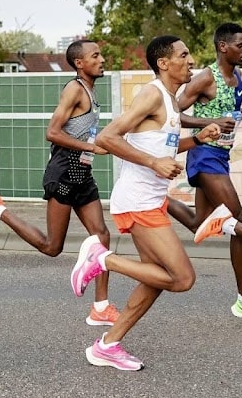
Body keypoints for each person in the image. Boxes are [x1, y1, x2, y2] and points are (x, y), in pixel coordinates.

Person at [69, 35, 223, 371]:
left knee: (156, 279)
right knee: (182, 279)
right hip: (137, 201)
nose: (192, 60)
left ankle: (107, 345)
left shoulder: (170, 100)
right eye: (184, 55)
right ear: (164, 62)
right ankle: (102, 258)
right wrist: (153, 164)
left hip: (149, 201)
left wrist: (197, 138)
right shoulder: (152, 93)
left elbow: (160, 145)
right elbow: (108, 137)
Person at [0, 39, 120, 326]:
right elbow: (52, 132)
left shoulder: (91, 90)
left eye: (101, 55)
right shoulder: (74, 88)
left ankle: (101, 306)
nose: (102, 59)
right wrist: (90, 147)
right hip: (62, 174)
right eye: (95, 56)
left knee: (102, 235)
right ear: (79, 63)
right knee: (52, 247)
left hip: (82, 174)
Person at [175, 22, 242, 321]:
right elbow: (173, 113)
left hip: (221, 156)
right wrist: (208, 124)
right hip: (204, 155)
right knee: (239, 221)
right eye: (240, 45)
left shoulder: (236, 76)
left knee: (199, 223)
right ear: (223, 46)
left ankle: (157, 201)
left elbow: (228, 116)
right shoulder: (205, 78)